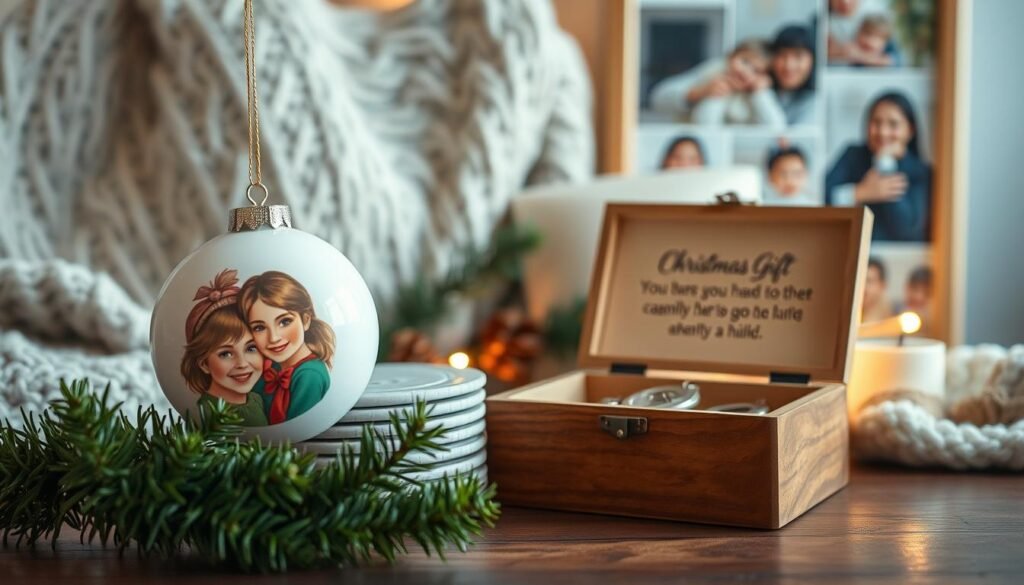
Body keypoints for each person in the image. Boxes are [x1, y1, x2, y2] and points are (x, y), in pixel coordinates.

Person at [825, 92, 931, 242]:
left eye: (893, 124)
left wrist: (885, 163)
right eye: (876, 122)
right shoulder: (852, 156)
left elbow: (907, 228)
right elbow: (821, 199)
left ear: (910, 130)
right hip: (849, 248)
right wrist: (859, 193)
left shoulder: (921, 172)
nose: (883, 132)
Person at [240, 271, 335, 424]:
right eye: (259, 328)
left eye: (284, 322)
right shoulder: (269, 369)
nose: (274, 338)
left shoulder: (310, 375)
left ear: (305, 320)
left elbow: (298, 429)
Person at [180, 269, 268, 426]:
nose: (242, 363)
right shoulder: (206, 413)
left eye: (251, 348)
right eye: (226, 354)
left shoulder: (256, 400)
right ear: (204, 364)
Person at [649, 40, 785, 128]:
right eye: (745, 61)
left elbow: (777, 128)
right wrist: (703, 92)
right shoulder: (712, 71)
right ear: (731, 57)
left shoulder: (759, 93)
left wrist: (760, 94)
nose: (745, 72)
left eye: (756, 71)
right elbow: (658, 99)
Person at [768, 25, 817, 126]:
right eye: (782, 55)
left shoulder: (816, 101)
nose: (788, 66)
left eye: (798, 56)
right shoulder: (762, 91)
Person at [828, 0, 902, 66]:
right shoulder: (825, 18)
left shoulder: (875, 11)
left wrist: (859, 56)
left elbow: (897, 59)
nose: (845, 1)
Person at [861, 257, 894, 323]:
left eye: (869, 281)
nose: (863, 286)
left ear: (883, 285)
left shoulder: (892, 318)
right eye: (861, 281)